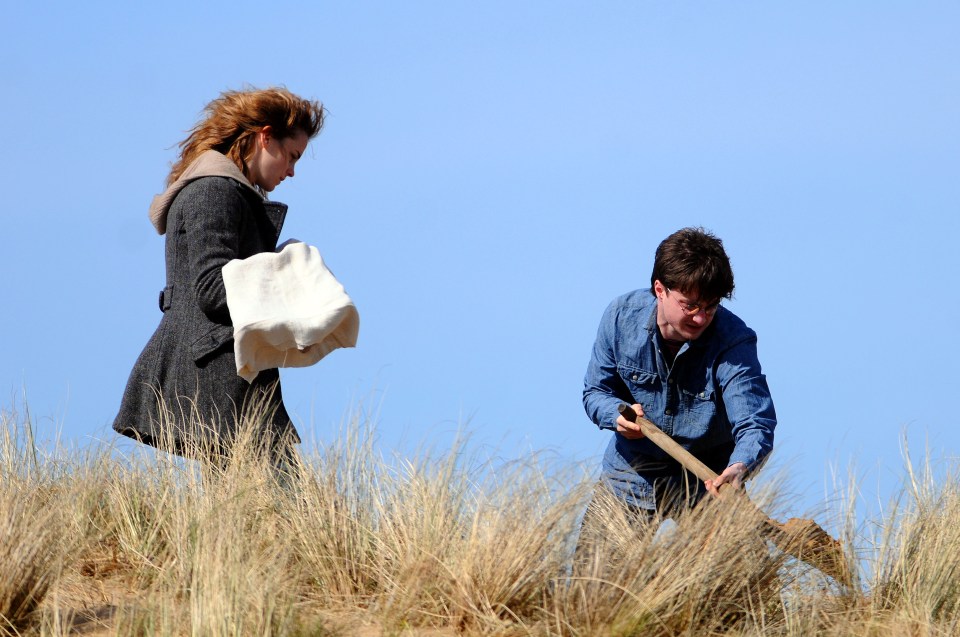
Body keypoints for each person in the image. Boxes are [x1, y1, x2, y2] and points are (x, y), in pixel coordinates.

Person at [113, 87, 325, 465]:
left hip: (223, 373)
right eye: (292, 156)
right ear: (264, 137)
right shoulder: (214, 191)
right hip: (217, 375)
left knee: (255, 513)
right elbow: (213, 289)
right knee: (287, 508)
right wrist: (289, 288)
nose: (292, 171)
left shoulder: (224, 191)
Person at [581, 227, 776, 522]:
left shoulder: (734, 341)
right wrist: (616, 417)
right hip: (631, 476)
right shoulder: (620, 317)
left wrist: (739, 466)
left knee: (749, 569)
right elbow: (596, 393)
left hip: (709, 483)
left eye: (711, 307)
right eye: (691, 306)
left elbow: (755, 423)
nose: (701, 317)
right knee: (593, 569)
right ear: (661, 290)